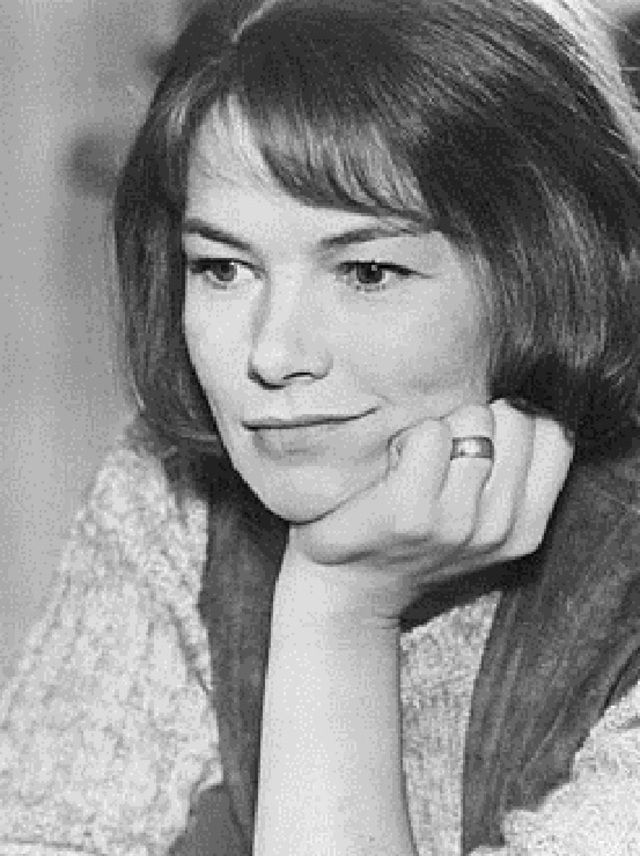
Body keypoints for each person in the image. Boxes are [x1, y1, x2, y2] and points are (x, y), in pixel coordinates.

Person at [1, 0, 640, 853]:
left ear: (545, 274)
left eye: (367, 272)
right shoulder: (178, 494)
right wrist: (340, 592)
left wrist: (339, 604)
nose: (274, 353)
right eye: (222, 268)